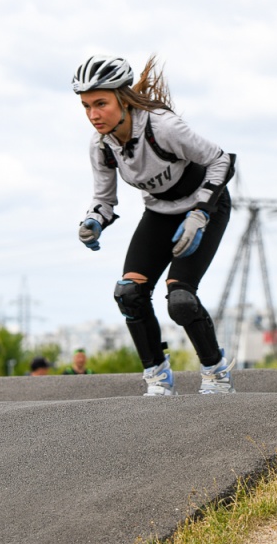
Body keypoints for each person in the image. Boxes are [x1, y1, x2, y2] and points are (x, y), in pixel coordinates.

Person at [73, 54, 235, 395]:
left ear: (122, 97)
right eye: (86, 106)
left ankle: (215, 373)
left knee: (180, 299)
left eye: (100, 104)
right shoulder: (101, 145)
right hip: (160, 212)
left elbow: (221, 159)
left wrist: (200, 213)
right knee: (129, 294)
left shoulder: (162, 127)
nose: (93, 115)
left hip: (206, 206)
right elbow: (104, 200)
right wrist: (93, 221)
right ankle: (158, 377)